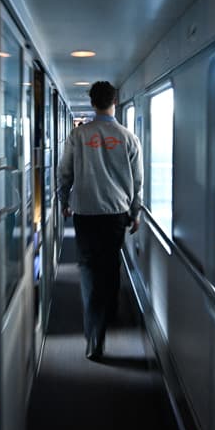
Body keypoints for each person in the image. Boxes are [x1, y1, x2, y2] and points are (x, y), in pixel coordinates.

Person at [57, 81, 143, 360]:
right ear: (114, 102)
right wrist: (136, 211)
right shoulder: (129, 137)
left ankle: (94, 335)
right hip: (116, 213)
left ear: (93, 103)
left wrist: (63, 200)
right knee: (110, 264)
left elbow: (65, 172)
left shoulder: (78, 135)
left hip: (85, 213)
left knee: (88, 268)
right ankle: (109, 313)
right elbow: (137, 181)